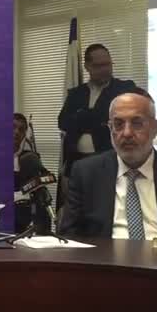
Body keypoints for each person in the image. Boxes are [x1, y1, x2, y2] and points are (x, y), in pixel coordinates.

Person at [60, 91, 157, 244]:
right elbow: (68, 239)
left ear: (155, 128)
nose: (127, 133)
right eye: (118, 124)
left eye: (137, 124)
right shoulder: (86, 173)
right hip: (106, 260)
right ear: (110, 129)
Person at [57, 44, 137, 204]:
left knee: (105, 206)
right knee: (77, 207)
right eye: (99, 66)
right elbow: (63, 122)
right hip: (76, 162)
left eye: (108, 64)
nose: (105, 69)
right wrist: (97, 119)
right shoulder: (76, 93)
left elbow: (120, 119)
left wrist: (82, 117)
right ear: (87, 66)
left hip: (110, 162)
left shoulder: (124, 89)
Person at [13, 113, 55, 234]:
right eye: (13, 127)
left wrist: (26, 189)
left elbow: (49, 177)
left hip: (24, 217)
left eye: (21, 129)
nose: (16, 132)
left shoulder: (29, 158)